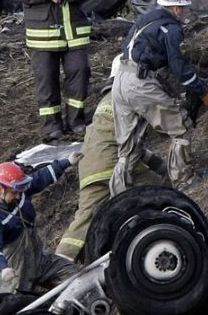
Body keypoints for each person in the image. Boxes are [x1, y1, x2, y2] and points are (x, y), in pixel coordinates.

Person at [110, 0, 208, 196]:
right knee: (180, 126)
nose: (187, 11)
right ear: (176, 8)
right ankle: (184, 180)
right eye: (185, 7)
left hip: (120, 80)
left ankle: (119, 194)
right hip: (139, 84)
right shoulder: (172, 29)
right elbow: (180, 68)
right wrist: (204, 92)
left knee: (128, 146)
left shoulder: (147, 18)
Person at [55, 56, 168, 262]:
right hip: (109, 163)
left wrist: (161, 165)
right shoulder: (128, 95)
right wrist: (166, 171)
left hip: (91, 163)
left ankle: (61, 264)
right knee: (161, 191)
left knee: (85, 218)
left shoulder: (108, 100)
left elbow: (132, 146)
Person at [12, 0, 100, 141]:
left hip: (74, 31)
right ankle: (52, 127)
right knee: (46, 80)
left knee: (80, 73)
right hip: (43, 33)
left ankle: (77, 121)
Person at [0, 157, 81, 294]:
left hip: (38, 260)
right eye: (13, 192)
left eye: (19, 191)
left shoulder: (20, 192)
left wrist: (67, 162)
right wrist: (3, 268)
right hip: (15, 272)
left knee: (78, 276)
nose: (18, 196)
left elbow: (40, 178)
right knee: (14, 307)